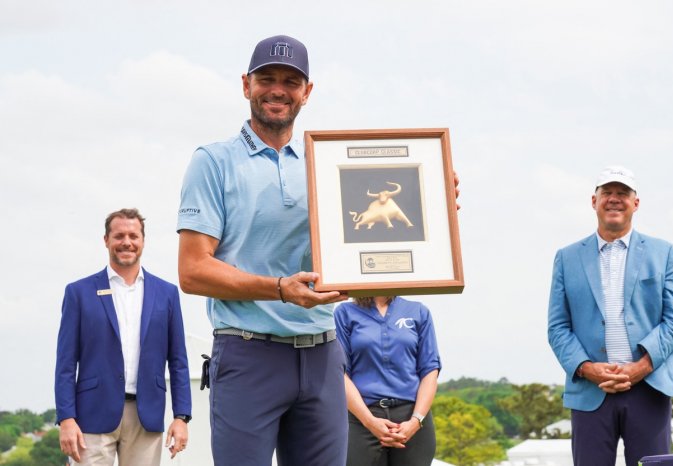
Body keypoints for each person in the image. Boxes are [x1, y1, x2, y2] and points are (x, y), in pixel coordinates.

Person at [177, 35, 349, 466]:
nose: (278, 89)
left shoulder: (326, 164)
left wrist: (431, 199)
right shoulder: (213, 161)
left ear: (307, 92)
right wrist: (279, 288)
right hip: (248, 354)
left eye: (291, 81)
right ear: (245, 85)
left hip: (323, 354)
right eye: (266, 78)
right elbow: (193, 271)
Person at [547, 166, 673, 466]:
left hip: (650, 387)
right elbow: (558, 327)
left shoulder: (663, 252)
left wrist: (641, 366)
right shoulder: (567, 257)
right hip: (590, 391)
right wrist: (588, 369)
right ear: (593, 201)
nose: (614, 199)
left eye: (622, 193)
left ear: (635, 203)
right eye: (607, 193)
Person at [55, 208, 192, 465]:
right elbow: (65, 363)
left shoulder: (167, 294)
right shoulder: (78, 293)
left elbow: (178, 361)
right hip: (92, 415)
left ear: (143, 241)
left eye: (133, 235)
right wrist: (66, 418)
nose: (126, 242)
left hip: (147, 417)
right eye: (118, 236)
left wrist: (181, 416)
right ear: (106, 240)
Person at [334, 296, 441, 466]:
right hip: (361, 418)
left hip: (412, 418)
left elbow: (429, 370)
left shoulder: (418, 311)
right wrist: (369, 421)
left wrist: (415, 421)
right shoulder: (344, 312)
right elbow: (340, 372)